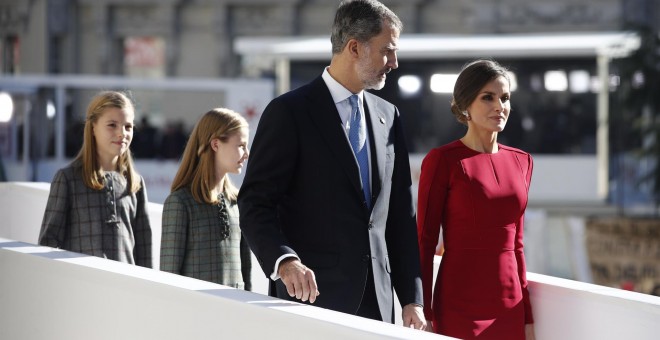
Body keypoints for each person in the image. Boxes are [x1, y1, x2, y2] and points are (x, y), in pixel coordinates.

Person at [238, 0, 425, 329]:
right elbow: (256, 202)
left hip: (378, 305)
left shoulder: (388, 116)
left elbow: (400, 215)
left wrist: (411, 298)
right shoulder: (289, 112)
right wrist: (284, 261)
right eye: (387, 50)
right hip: (311, 300)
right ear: (355, 47)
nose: (394, 62)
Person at [417, 59, 536, 339]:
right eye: (488, 97)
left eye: (505, 98)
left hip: (510, 302)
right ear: (465, 105)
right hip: (460, 300)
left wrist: (527, 317)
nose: (500, 106)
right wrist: (426, 311)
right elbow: (424, 241)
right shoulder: (442, 161)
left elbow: (517, 245)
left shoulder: (522, 161)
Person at [39, 91, 152, 268]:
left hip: (126, 291)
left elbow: (145, 253)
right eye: (112, 125)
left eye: (128, 126)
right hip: (81, 288)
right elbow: (48, 243)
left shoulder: (135, 184)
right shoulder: (68, 179)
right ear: (93, 127)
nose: (122, 133)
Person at [160, 108, 252, 290]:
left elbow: (245, 272)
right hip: (196, 314)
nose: (246, 154)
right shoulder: (180, 202)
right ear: (216, 144)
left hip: (235, 313)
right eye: (241, 146)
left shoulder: (237, 202)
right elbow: (169, 277)